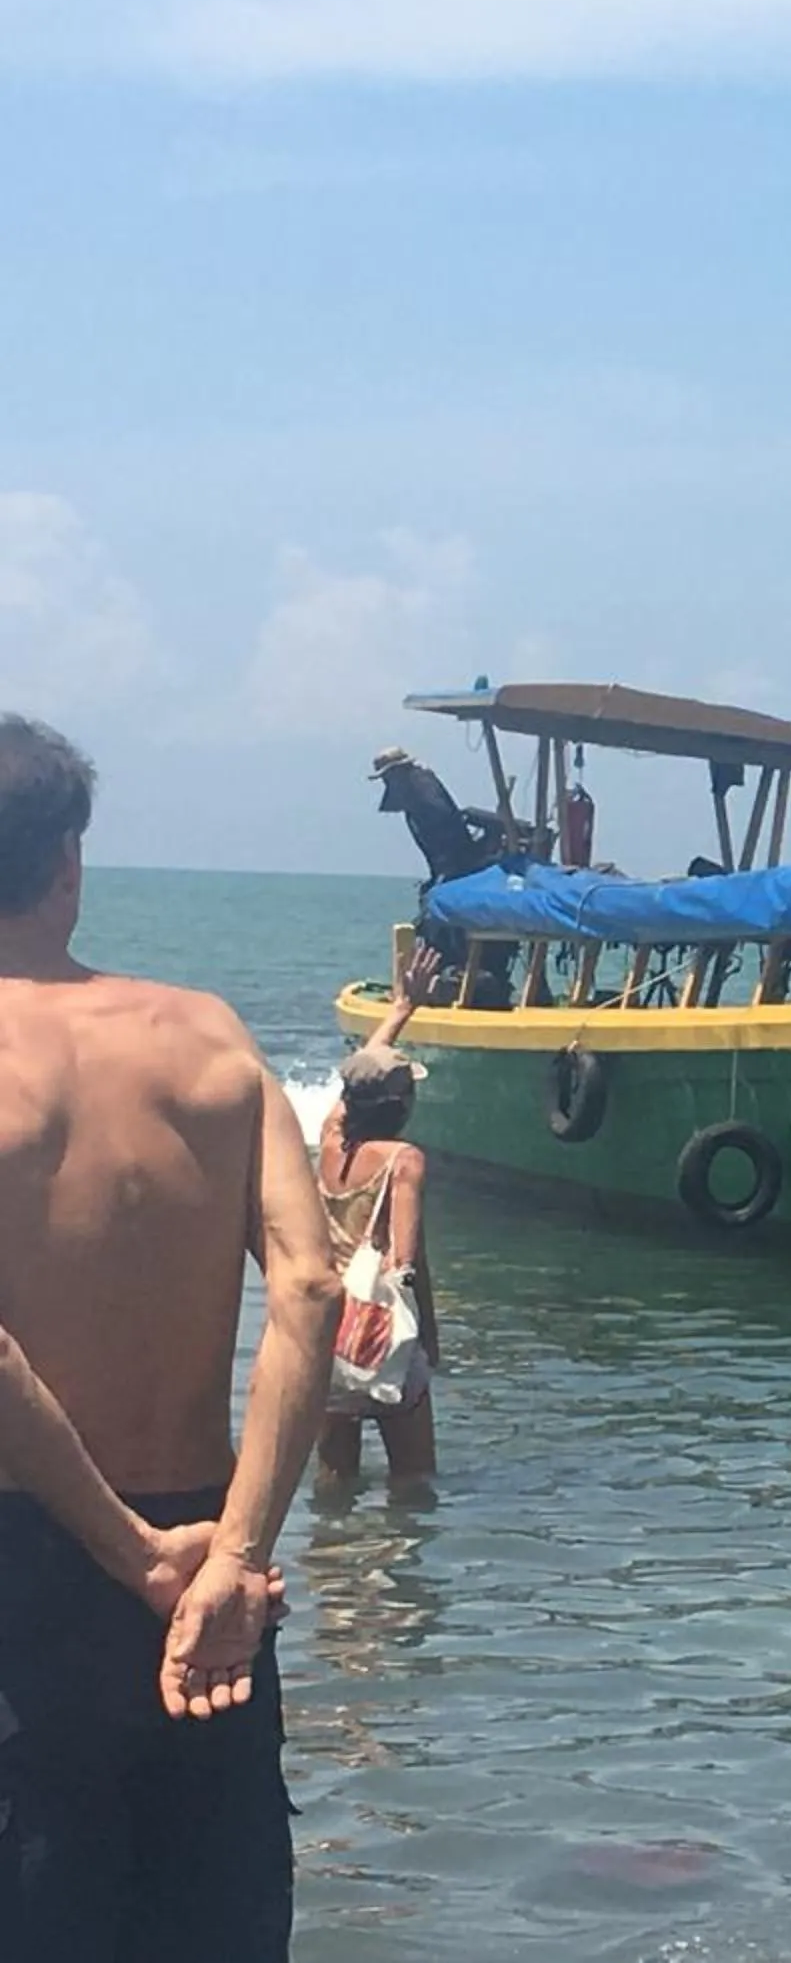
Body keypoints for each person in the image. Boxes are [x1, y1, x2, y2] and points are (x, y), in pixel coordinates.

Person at [0, 714, 342, 1960]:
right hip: (219, 1570)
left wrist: (135, 1554)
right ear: (71, 864)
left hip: (35, 1568)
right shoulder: (211, 1036)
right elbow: (309, 1288)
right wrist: (229, 1558)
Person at [315, 944, 443, 1481]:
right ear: (403, 1106)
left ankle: (328, 1564)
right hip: (379, 1329)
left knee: (333, 1485)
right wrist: (429, 1339)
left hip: (328, 1331)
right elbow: (404, 1265)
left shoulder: (328, 1143)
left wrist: (399, 1011)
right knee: (413, 1484)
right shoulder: (404, 1162)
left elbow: (359, 1081)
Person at [370, 746, 510, 888]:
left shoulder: (420, 786)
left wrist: (448, 869)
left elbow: (444, 823)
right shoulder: (412, 793)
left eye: (387, 776)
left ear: (398, 771)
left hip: (459, 861)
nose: (386, 781)